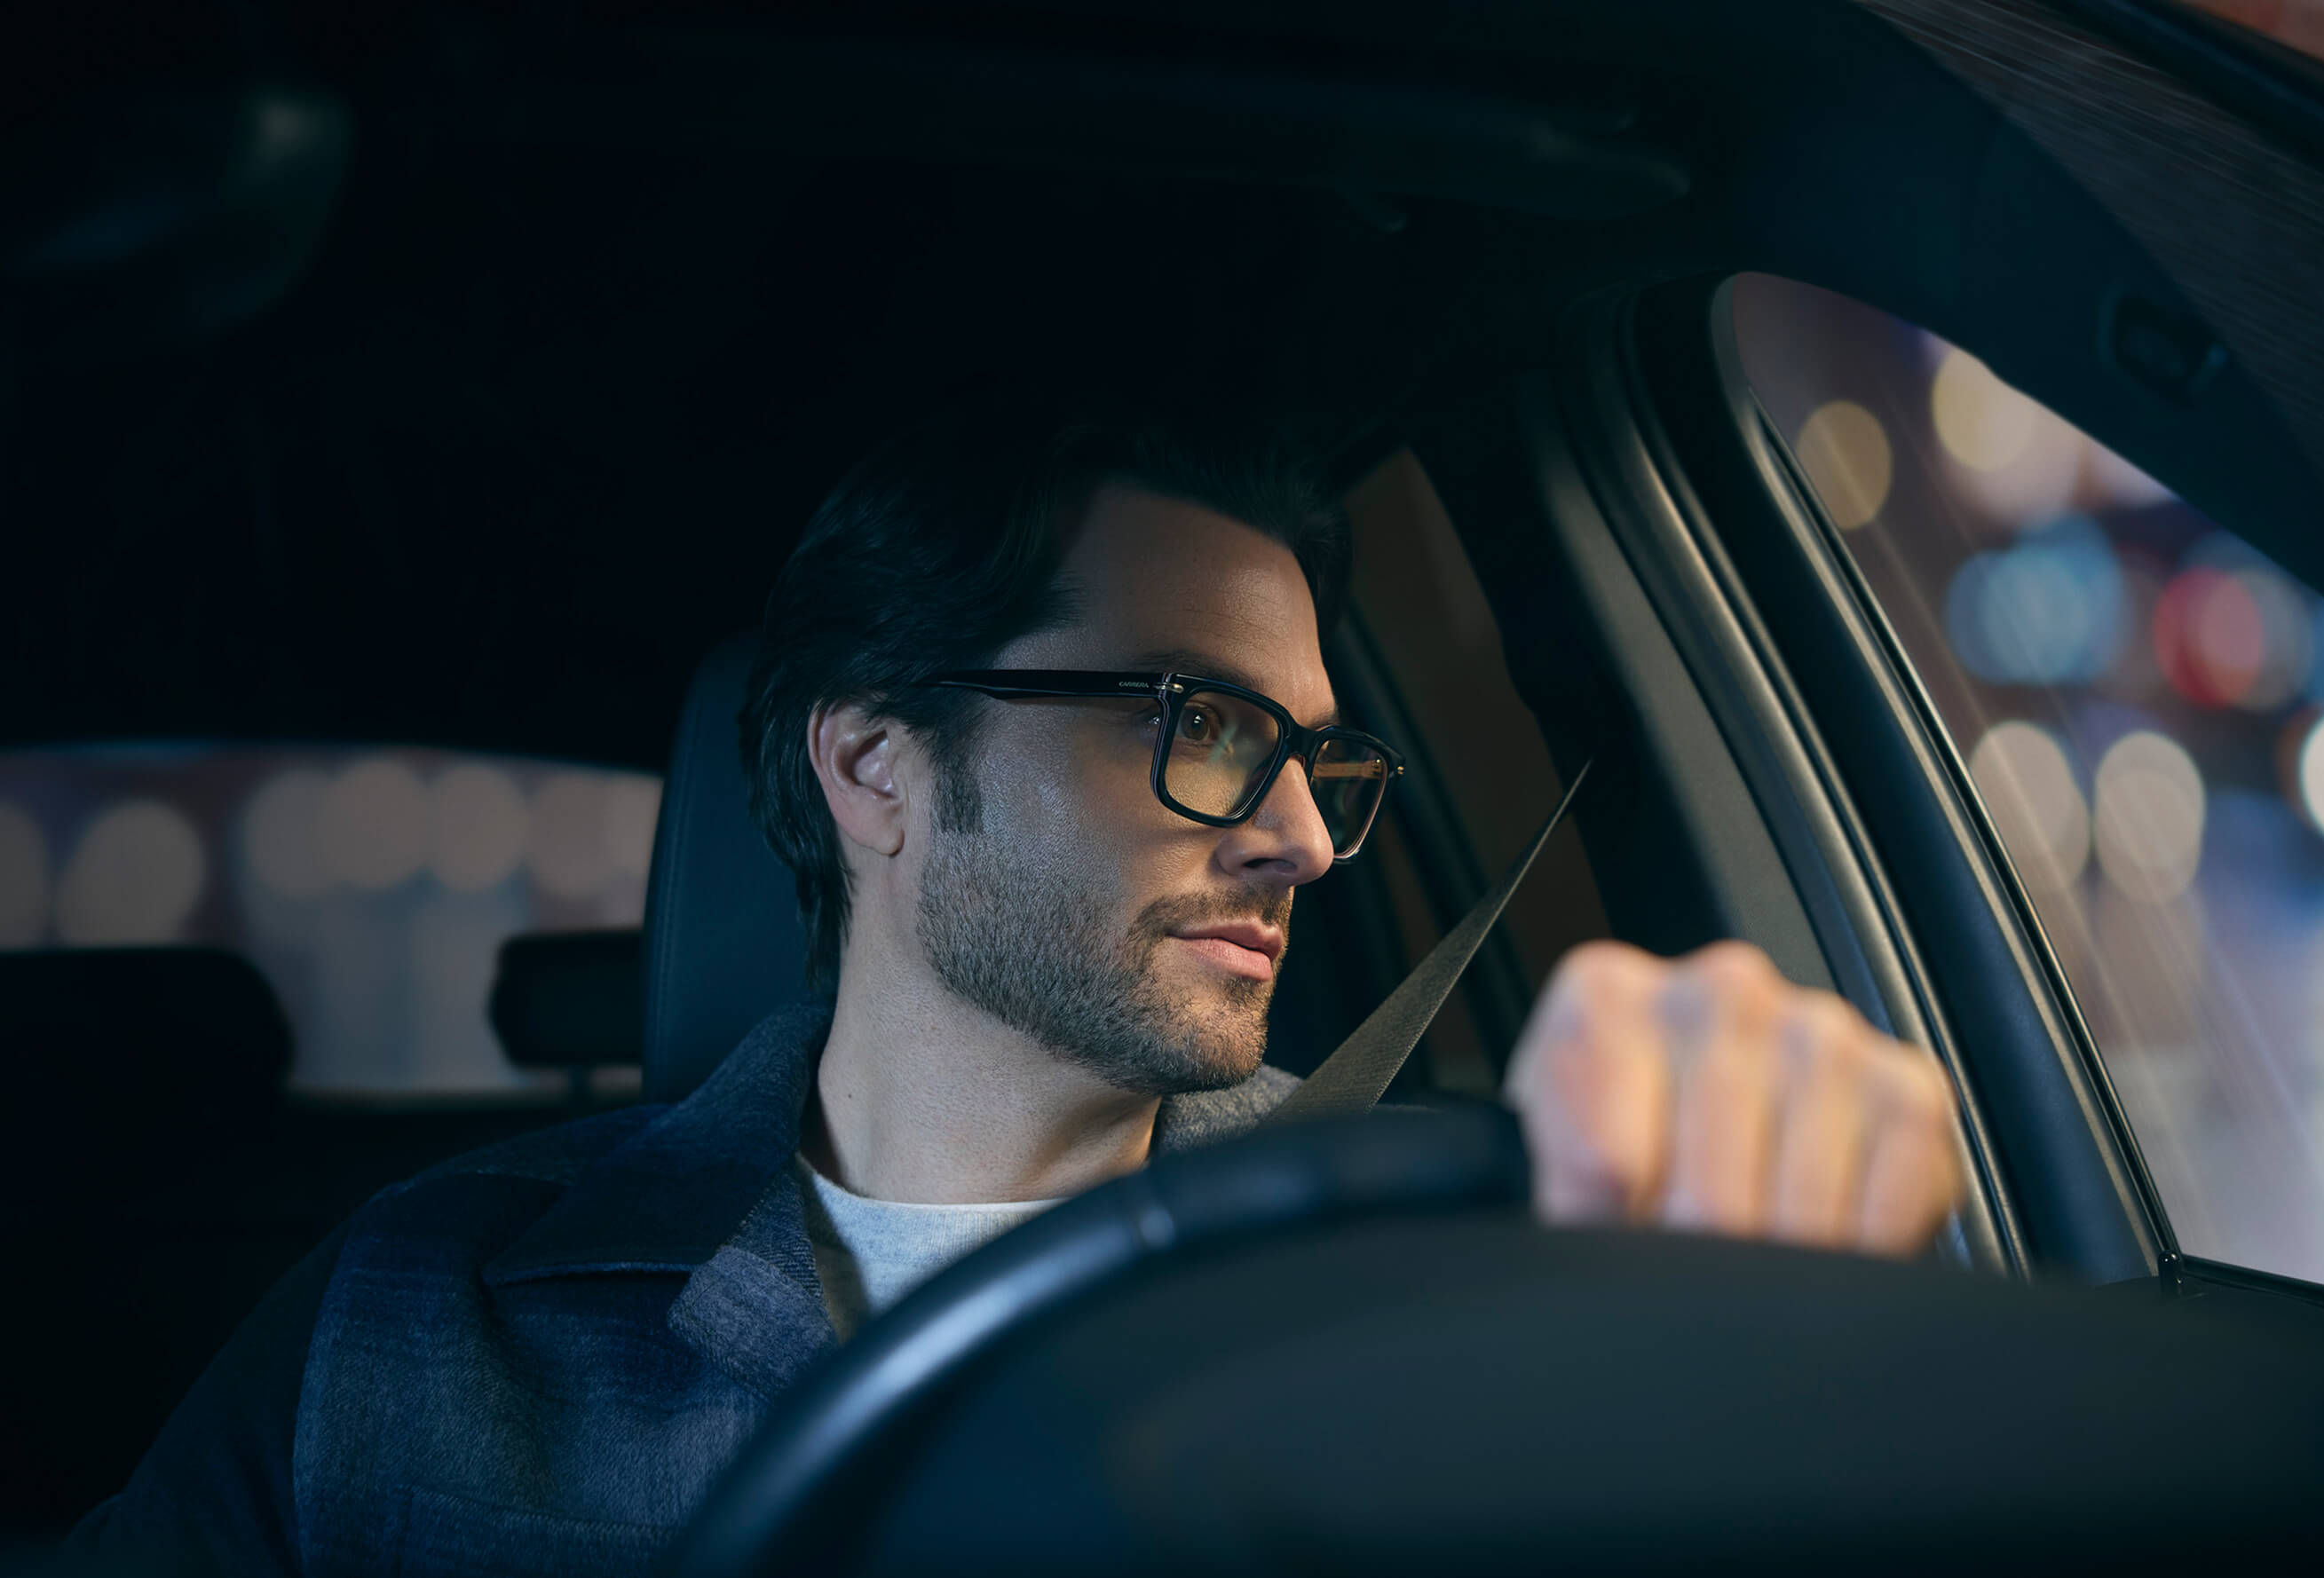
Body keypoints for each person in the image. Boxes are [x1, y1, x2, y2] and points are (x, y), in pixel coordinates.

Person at [73, 402, 1964, 1576]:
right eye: (1205, 724)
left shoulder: (1436, 1294)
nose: (1306, 839)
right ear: (877, 767)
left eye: (1320, 759)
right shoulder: (425, 1314)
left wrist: (1785, 1334)